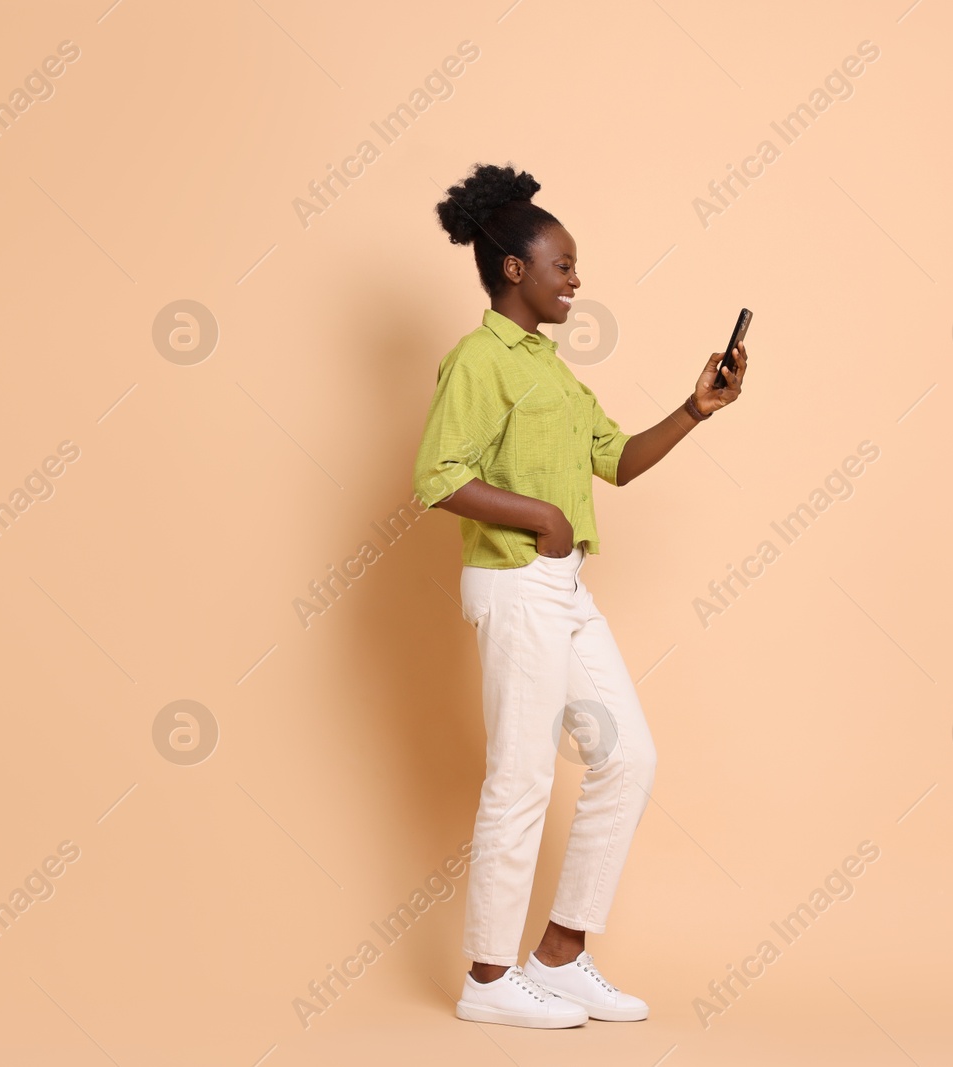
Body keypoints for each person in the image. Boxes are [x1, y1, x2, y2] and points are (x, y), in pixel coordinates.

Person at [412, 163, 748, 1029]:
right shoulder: (479, 360)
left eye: (575, 266)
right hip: (516, 586)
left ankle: (559, 954)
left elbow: (620, 461)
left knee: (627, 757)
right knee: (520, 776)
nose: (575, 280)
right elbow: (437, 476)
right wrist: (541, 517)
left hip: (561, 588)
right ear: (515, 270)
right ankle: (488, 979)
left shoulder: (550, 370)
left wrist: (696, 407)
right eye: (563, 265)